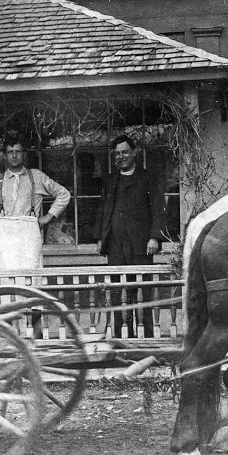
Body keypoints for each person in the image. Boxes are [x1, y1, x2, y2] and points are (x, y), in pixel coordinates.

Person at [95, 134, 169, 338]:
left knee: (142, 292)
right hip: (115, 244)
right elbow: (103, 209)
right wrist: (101, 238)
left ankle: (144, 336)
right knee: (118, 292)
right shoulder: (110, 180)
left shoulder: (147, 177)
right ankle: (120, 336)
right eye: (117, 154)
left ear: (134, 152)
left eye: (125, 152)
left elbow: (158, 209)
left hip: (142, 244)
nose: (121, 157)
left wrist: (155, 237)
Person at [0, 137, 71, 271]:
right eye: (10, 152)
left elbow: (64, 194)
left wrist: (48, 216)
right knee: (6, 284)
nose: (14, 155)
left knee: (31, 282)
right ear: (5, 155)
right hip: (4, 240)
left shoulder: (37, 176)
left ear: (24, 154)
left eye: (18, 151)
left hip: (29, 239)